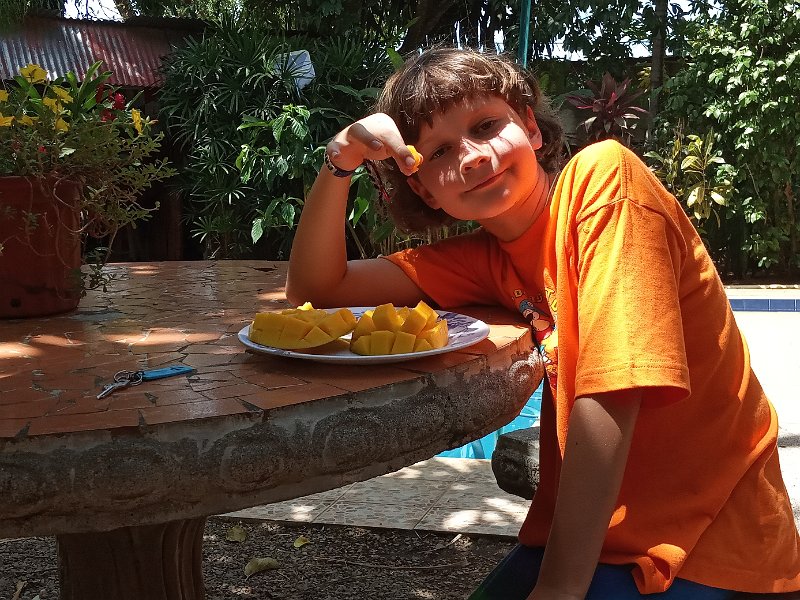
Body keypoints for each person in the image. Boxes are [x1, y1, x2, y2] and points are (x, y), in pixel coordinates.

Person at [286, 47, 800, 599]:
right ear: (424, 189)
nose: (473, 157)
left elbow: (613, 391)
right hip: (596, 537)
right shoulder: (487, 259)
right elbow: (318, 290)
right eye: (440, 152)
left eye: (486, 126)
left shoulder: (604, 180)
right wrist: (340, 160)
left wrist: (558, 589)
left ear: (530, 126)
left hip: (713, 544)